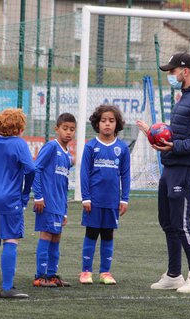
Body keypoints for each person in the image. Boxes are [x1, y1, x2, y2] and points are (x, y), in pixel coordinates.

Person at [136, 52, 190, 293]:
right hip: (172, 165)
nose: (170, 75)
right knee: (168, 221)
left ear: (185, 70)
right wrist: (154, 134)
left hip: (186, 167)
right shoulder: (186, 97)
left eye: (172, 71)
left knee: (181, 222)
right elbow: (179, 132)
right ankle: (174, 274)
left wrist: (175, 146)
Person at [0, 108, 35, 299]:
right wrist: (25, 195)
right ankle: (7, 287)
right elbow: (31, 170)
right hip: (11, 200)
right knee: (11, 239)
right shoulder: (19, 144)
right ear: (19, 128)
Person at [79, 105, 130, 285]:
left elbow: (125, 174)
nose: (107, 124)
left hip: (112, 201)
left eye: (111, 120)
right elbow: (84, 173)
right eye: (103, 121)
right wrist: (85, 197)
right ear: (97, 123)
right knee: (91, 234)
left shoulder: (122, 148)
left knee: (108, 235)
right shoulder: (91, 147)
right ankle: (86, 271)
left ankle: (105, 272)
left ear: (117, 124)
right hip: (93, 200)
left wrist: (124, 198)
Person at [32, 113, 76, 288]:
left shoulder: (67, 155)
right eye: (65, 128)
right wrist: (39, 196)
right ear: (56, 129)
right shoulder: (51, 147)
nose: (68, 132)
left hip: (59, 204)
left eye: (72, 129)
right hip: (47, 202)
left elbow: (64, 185)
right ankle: (40, 276)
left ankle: (51, 275)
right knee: (47, 235)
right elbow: (36, 169)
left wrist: (64, 210)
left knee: (56, 237)